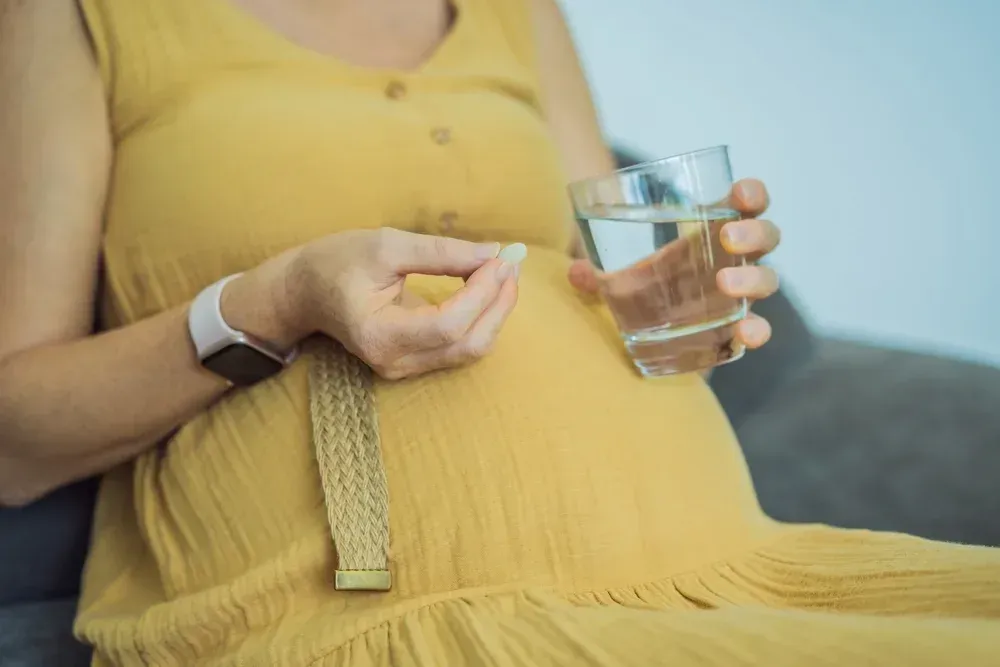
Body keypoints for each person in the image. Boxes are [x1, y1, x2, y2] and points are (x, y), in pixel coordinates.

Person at [1, 0, 998, 664]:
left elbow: (606, 257)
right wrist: (274, 301)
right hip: (378, 610)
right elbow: (16, 438)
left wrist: (678, 295)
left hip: (723, 554)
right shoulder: (76, 15)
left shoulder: (515, 9)